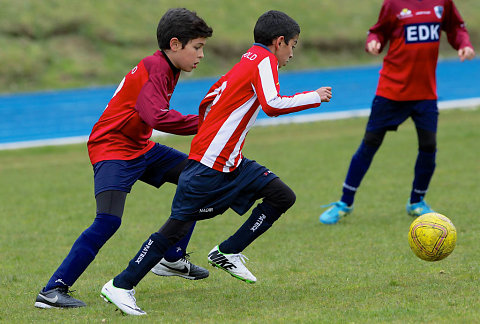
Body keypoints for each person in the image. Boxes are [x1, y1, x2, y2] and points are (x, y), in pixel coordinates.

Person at [99, 10, 333, 315]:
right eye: (293, 44)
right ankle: (121, 284)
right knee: (174, 229)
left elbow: (211, 98)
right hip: (209, 166)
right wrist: (313, 96)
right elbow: (272, 104)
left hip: (231, 161)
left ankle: (229, 251)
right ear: (279, 42)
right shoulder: (263, 60)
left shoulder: (248, 59)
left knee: (282, 195)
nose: (293, 51)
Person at [34, 8, 213, 309]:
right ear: (174, 44)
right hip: (112, 148)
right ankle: (52, 291)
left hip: (139, 146)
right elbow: (155, 116)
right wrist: (206, 122)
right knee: (108, 221)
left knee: (198, 178)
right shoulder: (155, 67)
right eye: (197, 47)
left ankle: (172, 258)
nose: (201, 54)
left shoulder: (170, 68)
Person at [319, 0, 475, 225]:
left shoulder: (443, 2)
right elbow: (377, 32)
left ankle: (417, 201)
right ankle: (345, 203)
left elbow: (455, 27)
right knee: (370, 144)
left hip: (425, 93)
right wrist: (373, 42)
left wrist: (464, 43)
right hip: (391, 91)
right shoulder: (393, 4)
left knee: (429, 145)